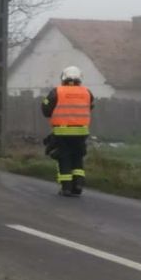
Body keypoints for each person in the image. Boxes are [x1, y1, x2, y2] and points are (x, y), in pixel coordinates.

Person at [42, 65, 93, 197]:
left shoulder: (57, 91)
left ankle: (66, 188)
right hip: (81, 132)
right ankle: (78, 184)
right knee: (77, 156)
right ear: (80, 78)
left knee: (64, 157)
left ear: (63, 78)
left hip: (62, 132)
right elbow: (90, 107)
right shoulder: (87, 92)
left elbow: (46, 109)